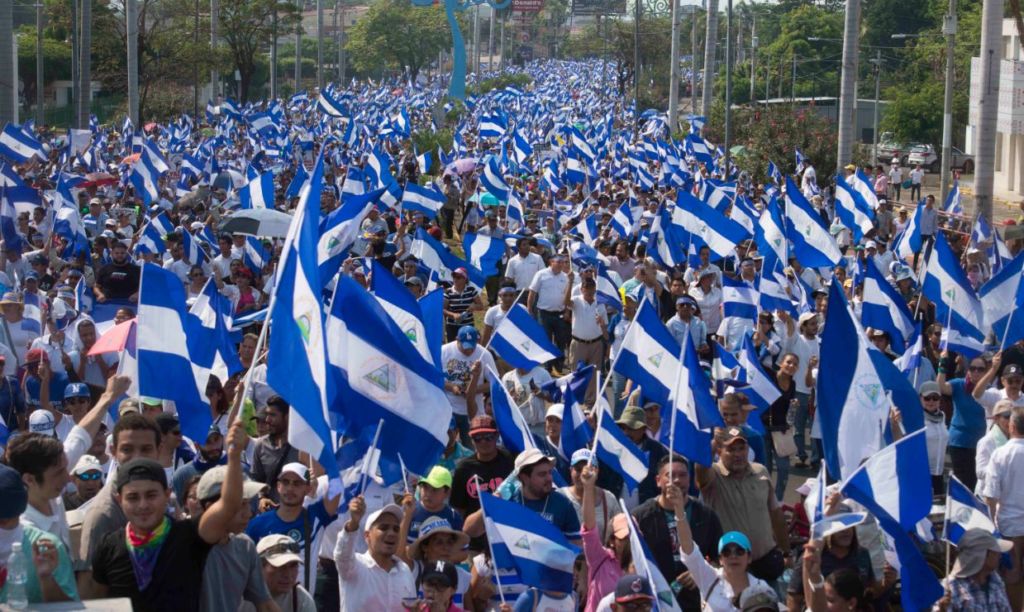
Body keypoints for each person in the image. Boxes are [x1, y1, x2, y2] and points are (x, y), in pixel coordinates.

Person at [89, 420, 246, 610]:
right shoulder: (108, 547)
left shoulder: (189, 536)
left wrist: (235, 455)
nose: (143, 505)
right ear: (119, 500)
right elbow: (95, 604)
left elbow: (229, 505)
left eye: (151, 495)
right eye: (132, 497)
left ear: (166, 495)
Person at [696, 427, 789, 583]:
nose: (738, 454)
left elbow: (775, 514)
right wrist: (712, 444)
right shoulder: (714, 475)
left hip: (766, 561)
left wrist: (786, 552)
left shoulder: (761, 471)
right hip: (732, 566)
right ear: (719, 451)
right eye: (731, 449)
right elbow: (701, 472)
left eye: (741, 448)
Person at [632, 454, 723, 610]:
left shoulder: (706, 515)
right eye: (670, 475)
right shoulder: (640, 517)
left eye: (682, 475)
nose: (677, 480)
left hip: (696, 600)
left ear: (690, 479)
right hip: (656, 600)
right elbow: (629, 560)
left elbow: (719, 558)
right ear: (658, 481)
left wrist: (701, 571)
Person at [193, 459, 275, 612]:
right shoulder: (182, 545)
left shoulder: (245, 547)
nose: (249, 513)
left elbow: (265, 605)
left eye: (249, 504)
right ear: (213, 508)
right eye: (241, 504)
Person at [245, 462, 341, 593]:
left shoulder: (316, 516)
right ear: (278, 486)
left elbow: (336, 490)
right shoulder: (257, 524)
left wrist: (330, 463)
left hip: (302, 605)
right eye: (285, 482)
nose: (290, 488)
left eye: (297, 483)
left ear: (307, 488)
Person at [464, 448, 581, 543]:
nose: (549, 478)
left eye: (550, 472)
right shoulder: (507, 501)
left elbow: (577, 547)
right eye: (542, 474)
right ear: (524, 477)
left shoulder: (563, 504)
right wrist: (492, 503)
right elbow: (470, 531)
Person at [0, 463, 78, 604]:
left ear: (18, 513)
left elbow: (69, 608)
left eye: (3, 521)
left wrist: (46, 578)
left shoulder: (46, 549)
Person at [334, 496, 416, 611]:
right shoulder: (354, 566)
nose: (391, 533)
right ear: (367, 536)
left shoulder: (405, 571)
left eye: (396, 529)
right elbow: (342, 554)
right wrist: (353, 523)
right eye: (383, 528)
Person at [982, 405, 1024, 609]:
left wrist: (992, 529)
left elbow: (990, 496)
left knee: (1013, 575)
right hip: (1011, 524)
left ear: (1012, 426)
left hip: (1009, 526)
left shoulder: (1000, 454)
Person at [577, 461, 630, 611]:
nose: (628, 542)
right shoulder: (599, 558)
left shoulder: (641, 565)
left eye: (631, 538)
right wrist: (588, 488)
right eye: (623, 538)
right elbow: (589, 529)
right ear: (612, 540)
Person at [936, 351, 991, 490]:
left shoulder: (990, 392)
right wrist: (942, 363)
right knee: (962, 482)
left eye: (980, 369)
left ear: (986, 372)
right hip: (959, 441)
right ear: (968, 370)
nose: (976, 372)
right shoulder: (959, 385)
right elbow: (941, 387)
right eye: (973, 368)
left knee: (976, 482)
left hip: (980, 444)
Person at [450, 415, 515, 520]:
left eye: (488, 436)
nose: (483, 442)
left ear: (497, 436)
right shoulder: (463, 469)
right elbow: (459, 508)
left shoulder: (510, 460)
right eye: (477, 438)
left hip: (508, 525)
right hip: (479, 530)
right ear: (471, 440)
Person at [937, 528, 1014, 612]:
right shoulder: (951, 588)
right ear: (983, 556)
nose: (1000, 555)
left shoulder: (996, 580)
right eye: (995, 552)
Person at [441, 326, 497, 438]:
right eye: (465, 347)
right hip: (448, 409)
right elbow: (434, 378)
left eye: (472, 346)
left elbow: (494, 383)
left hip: (473, 411)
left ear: (477, 341)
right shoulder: (444, 351)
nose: (469, 350)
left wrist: (473, 390)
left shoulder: (484, 354)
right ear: (457, 340)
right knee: (449, 443)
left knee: (471, 446)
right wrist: (452, 387)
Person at [239, 534, 317, 612]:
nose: (288, 575)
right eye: (280, 567)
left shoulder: (301, 599)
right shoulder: (238, 594)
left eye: (293, 566)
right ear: (259, 567)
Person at [559, 449, 623, 544]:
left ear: (597, 472)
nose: (583, 474)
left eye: (589, 469)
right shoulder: (559, 496)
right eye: (578, 469)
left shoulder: (608, 498)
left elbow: (620, 531)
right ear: (570, 470)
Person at [251, 395, 301, 505]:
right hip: (270, 514)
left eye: (272, 415)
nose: (267, 420)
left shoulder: (302, 446)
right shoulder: (260, 445)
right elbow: (256, 480)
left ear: (287, 417)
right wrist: (261, 498)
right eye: (267, 415)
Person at [406, 466, 464, 544]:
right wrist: (407, 516)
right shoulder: (410, 511)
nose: (428, 494)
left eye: (435, 489)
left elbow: (461, 551)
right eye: (425, 487)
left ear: (447, 492)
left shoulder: (454, 517)